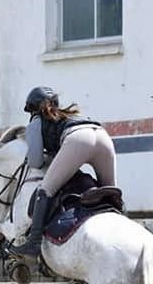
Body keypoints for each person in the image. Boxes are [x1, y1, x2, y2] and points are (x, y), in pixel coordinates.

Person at [10, 86, 117, 258]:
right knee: (111, 193)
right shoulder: (68, 114)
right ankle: (122, 226)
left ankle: (34, 243)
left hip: (78, 139)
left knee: (45, 190)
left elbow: (36, 162)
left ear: (34, 109)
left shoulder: (36, 122)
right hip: (102, 136)